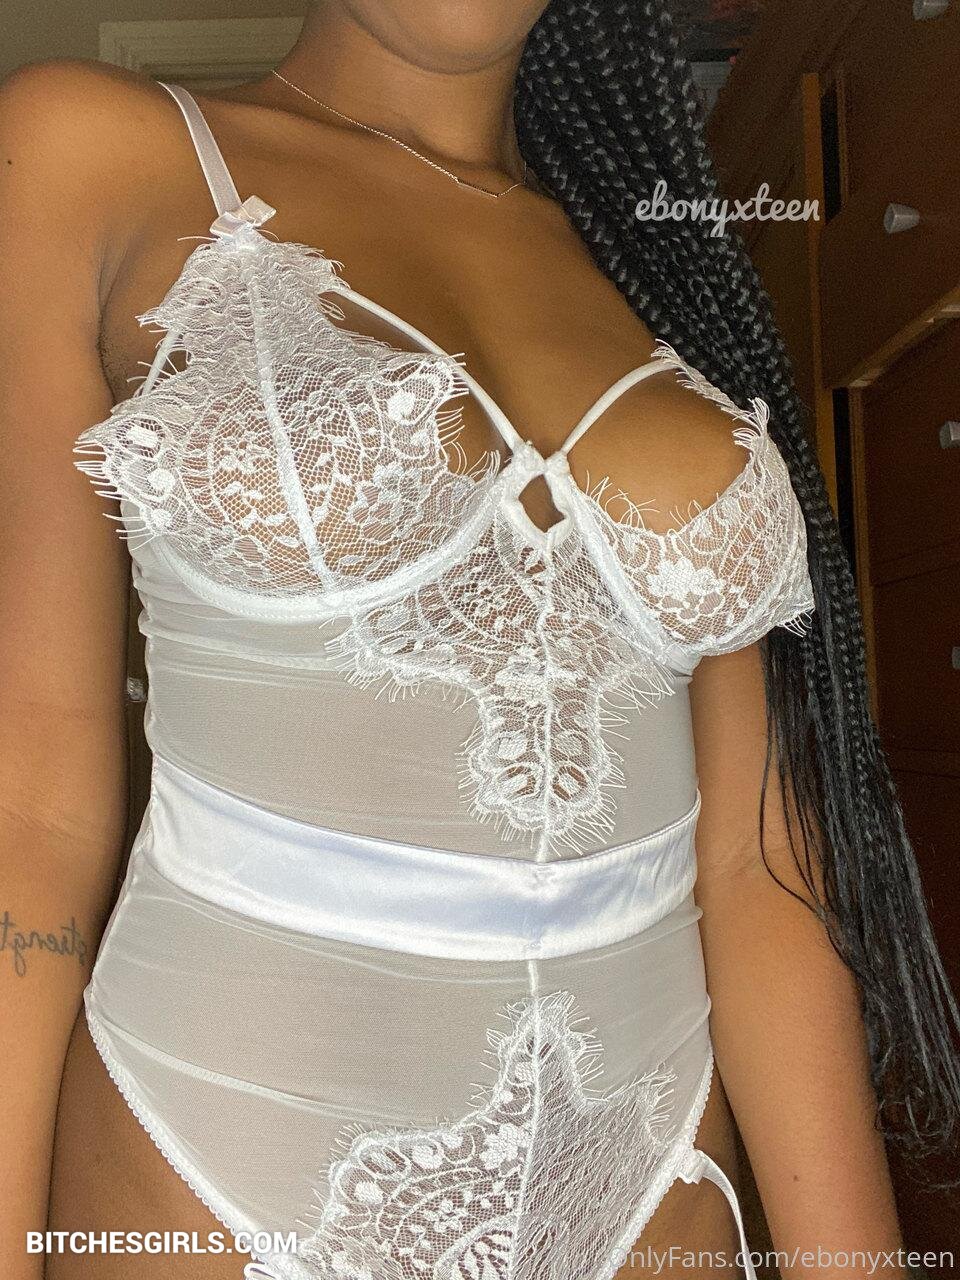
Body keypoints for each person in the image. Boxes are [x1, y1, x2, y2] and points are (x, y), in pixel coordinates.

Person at [1, 2, 957, 1278]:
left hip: (655, 1191)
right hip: (217, 1164)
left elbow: (753, 864)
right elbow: (30, 807)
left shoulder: (655, 241)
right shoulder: (84, 149)